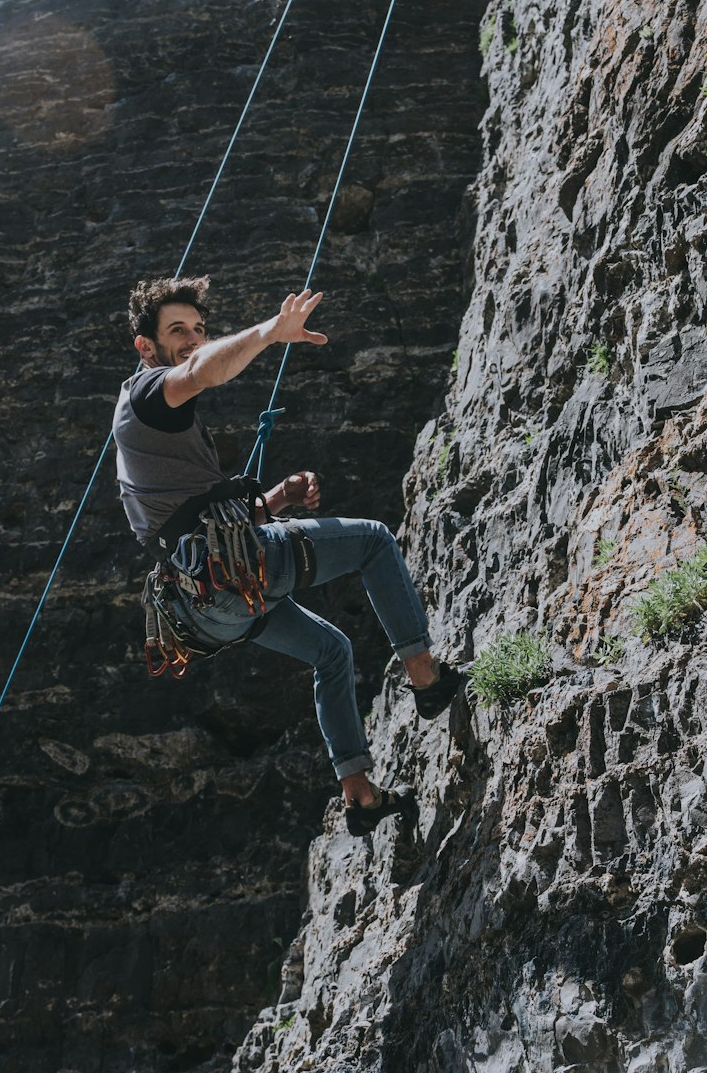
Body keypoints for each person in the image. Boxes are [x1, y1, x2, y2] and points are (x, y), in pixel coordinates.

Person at [112, 275, 461, 836]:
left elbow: (197, 522)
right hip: (234, 573)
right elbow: (203, 371)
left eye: (199, 329)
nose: (193, 339)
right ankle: (427, 679)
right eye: (177, 330)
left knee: (331, 651)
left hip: (206, 608)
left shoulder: (152, 439)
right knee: (372, 540)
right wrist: (273, 331)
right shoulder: (149, 394)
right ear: (145, 346)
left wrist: (278, 499)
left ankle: (360, 796)